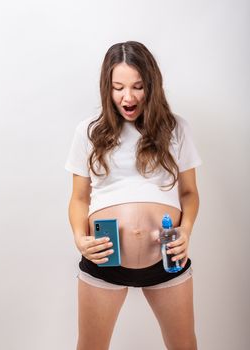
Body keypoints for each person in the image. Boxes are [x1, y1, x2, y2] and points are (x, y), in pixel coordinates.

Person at [65, 41, 201, 350]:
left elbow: (190, 193)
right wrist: (78, 237)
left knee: (184, 345)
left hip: (167, 258)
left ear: (151, 86)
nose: (128, 97)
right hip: (103, 259)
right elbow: (78, 198)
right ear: (107, 88)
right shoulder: (88, 131)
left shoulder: (175, 128)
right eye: (118, 87)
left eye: (138, 87)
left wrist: (186, 231)